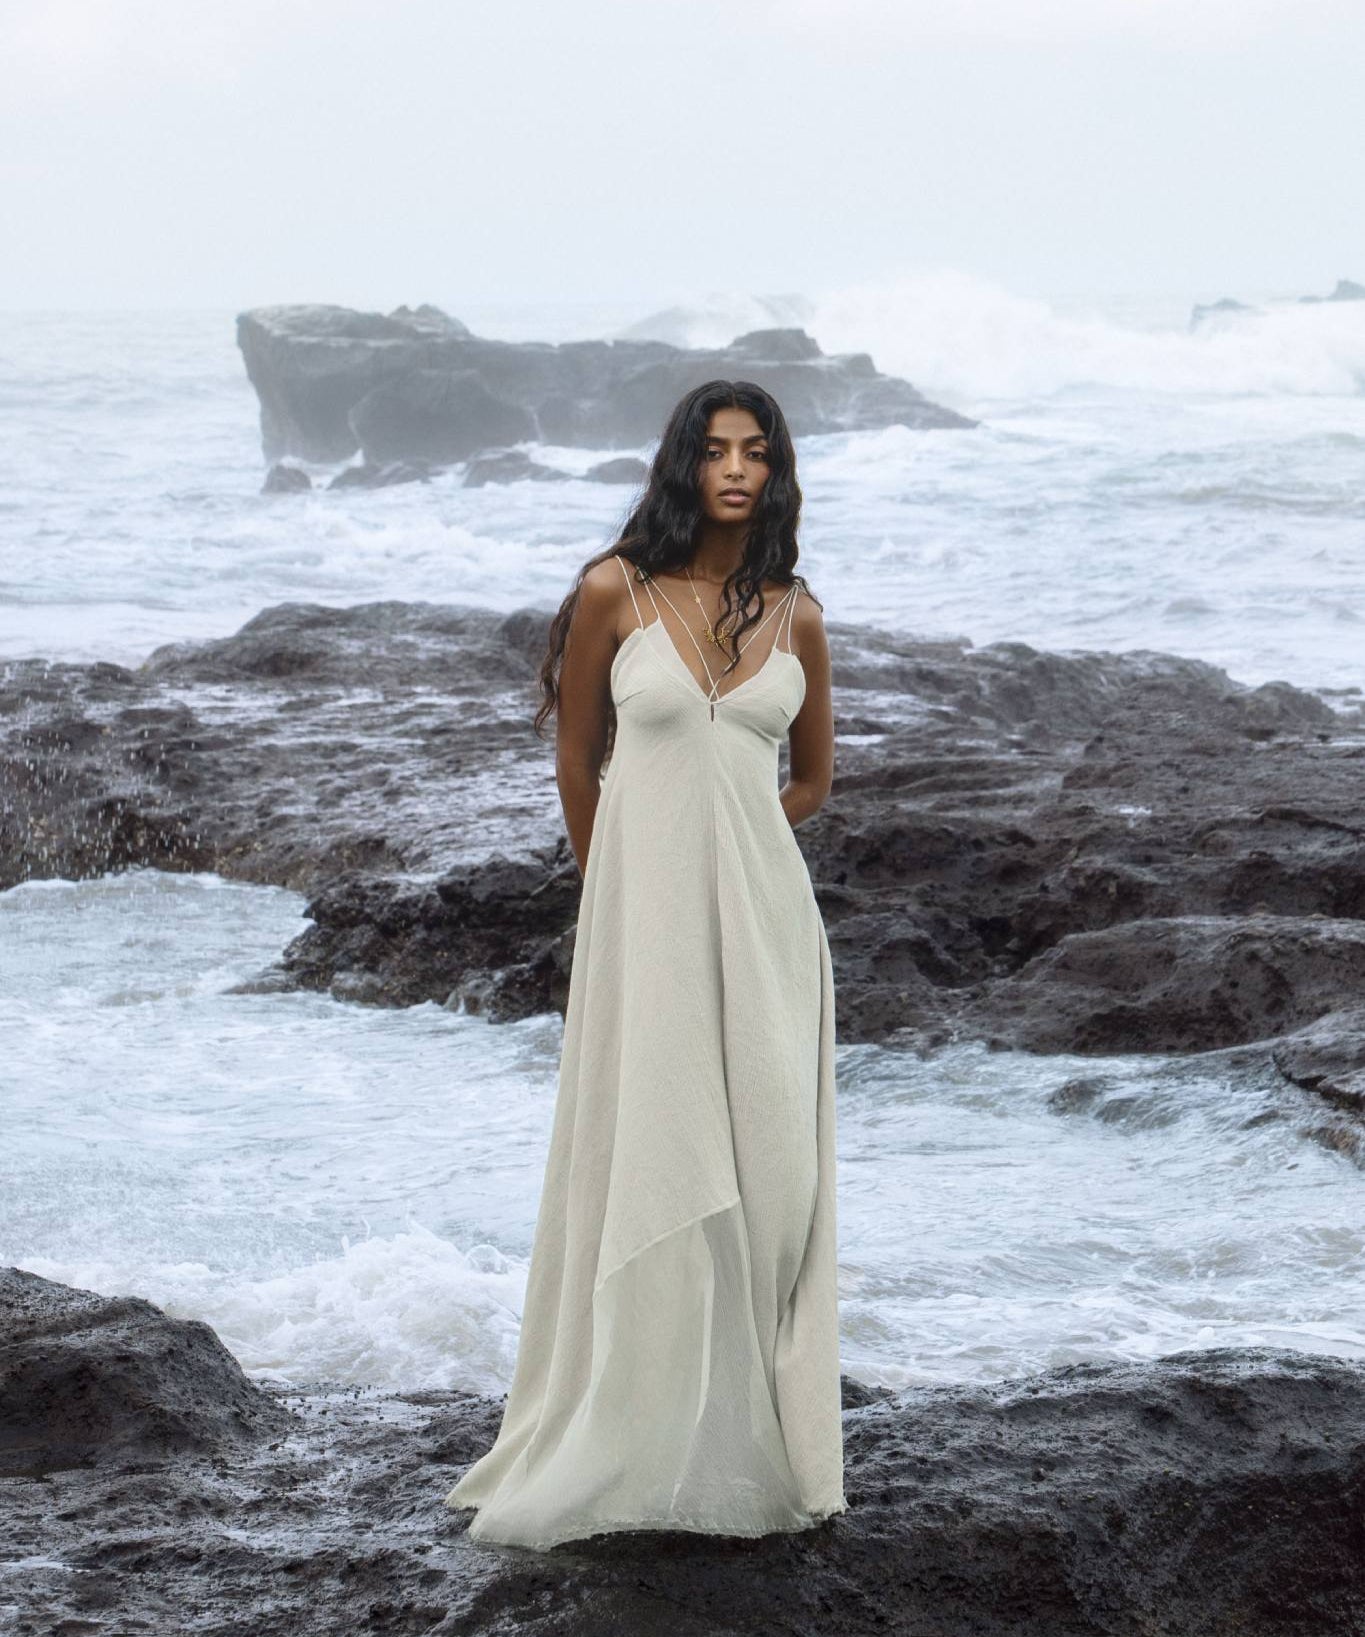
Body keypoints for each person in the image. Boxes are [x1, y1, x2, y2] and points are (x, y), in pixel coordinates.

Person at [443, 378, 846, 1550]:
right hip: (644, 921)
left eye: (754, 452)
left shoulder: (800, 614)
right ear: (684, 464)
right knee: (657, 1151)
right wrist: (613, 879)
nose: (734, 468)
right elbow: (578, 757)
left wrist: (749, 834)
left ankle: (756, 1433)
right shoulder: (611, 593)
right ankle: (630, 1425)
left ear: (774, 472)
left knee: (775, 1177)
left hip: (770, 926)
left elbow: (812, 778)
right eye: (715, 449)